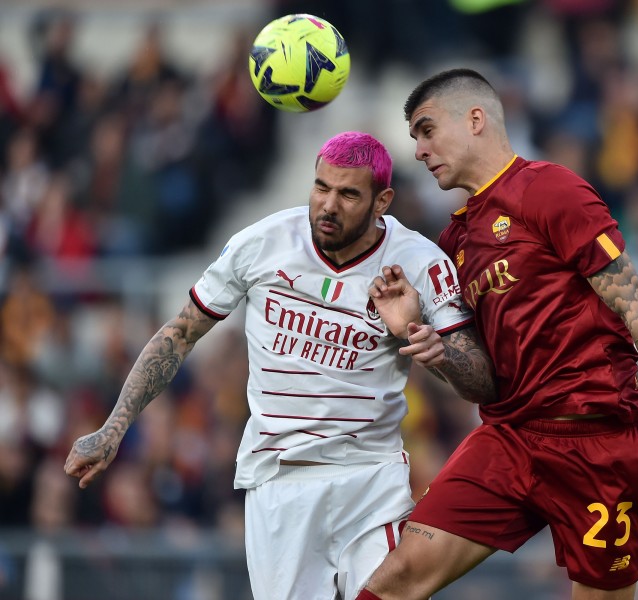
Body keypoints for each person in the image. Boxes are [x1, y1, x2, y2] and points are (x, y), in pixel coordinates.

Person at [356, 69, 638, 600]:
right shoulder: (453, 241)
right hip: (510, 437)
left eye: (427, 130)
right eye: (414, 139)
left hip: (598, 442)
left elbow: (637, 307)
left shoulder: (550, 189)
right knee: (397, 577)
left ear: (475, 119)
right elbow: (484, 385)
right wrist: (430, 345)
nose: (420, 150)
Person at [64, 131, 495, 600]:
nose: (328, 205)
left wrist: (416, 335)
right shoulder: (262, 243)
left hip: (370, 478)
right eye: (321, 187)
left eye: (348, 193)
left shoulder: (419, 263)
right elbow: (180, 333)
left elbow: (480, 381)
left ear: (381, 201)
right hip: (279, 481)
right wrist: (112, 428)